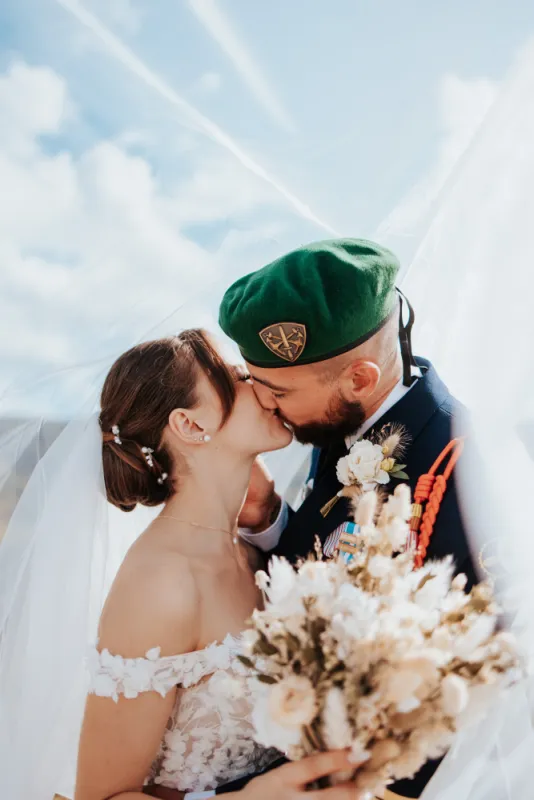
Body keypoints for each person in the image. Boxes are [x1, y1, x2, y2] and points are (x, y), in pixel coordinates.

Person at [218, 237, 478, 800]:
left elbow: (467, 690)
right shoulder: (339, 426)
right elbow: (326, 568)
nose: (263, 402)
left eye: (277, 390)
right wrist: (267, 517)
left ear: (359, 378)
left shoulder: (465, 468)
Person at [72, 328, 359, 800]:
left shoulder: (252, 552)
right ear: (189, 425)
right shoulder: (161, 584)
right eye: (239, 377)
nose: (264, 387)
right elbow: (98, 797)